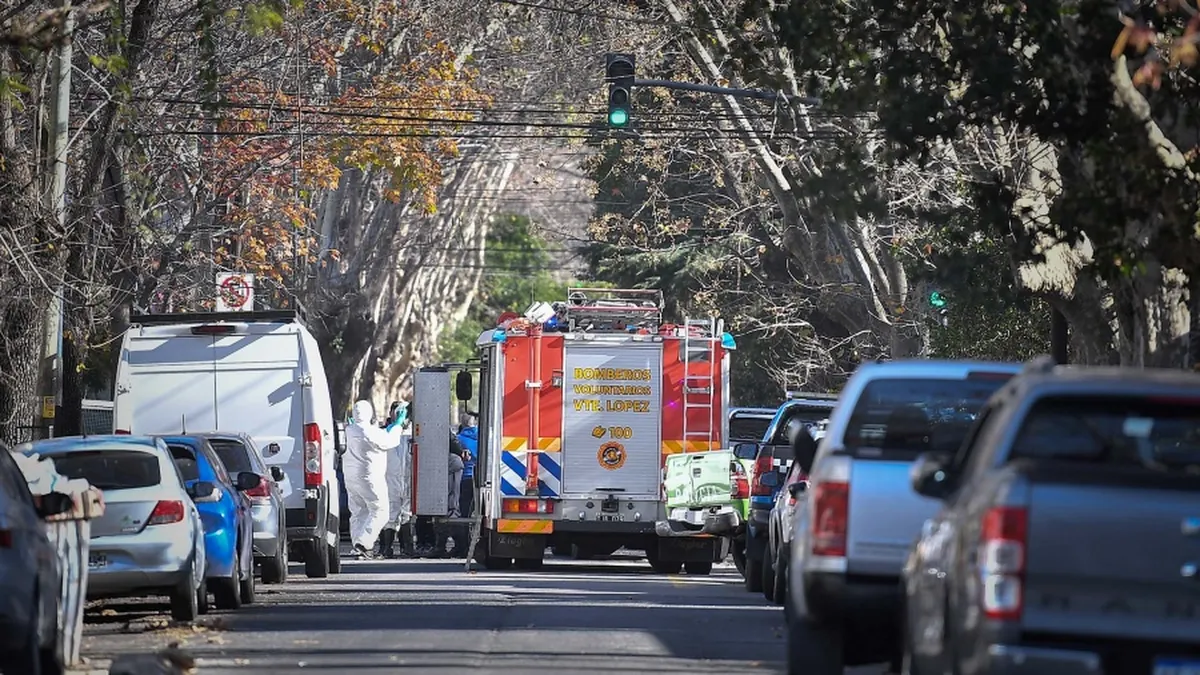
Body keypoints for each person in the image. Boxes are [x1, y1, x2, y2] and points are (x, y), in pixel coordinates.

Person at [343, 400, 405, 559]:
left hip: (350, 478)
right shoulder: (370, 432)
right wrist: (398, 425)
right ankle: (364, 543)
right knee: (381, 511)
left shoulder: (348, 430)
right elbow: (390, 441)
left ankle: (358, 545)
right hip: (370, 478)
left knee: (358, 512)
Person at [379, 401, 412, 558]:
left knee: (407, 513)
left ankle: (407, 547)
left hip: (407, 477)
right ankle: (386, 547)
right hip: (390, 478)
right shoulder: (386, 433)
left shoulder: (411, 434)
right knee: (391, 513)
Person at [455, 412, 478, 520]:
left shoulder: (458, 439)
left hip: (465, 477)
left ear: (462, 424)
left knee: (465, 507)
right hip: (480, 479)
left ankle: (465, 525)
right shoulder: (484, 437)